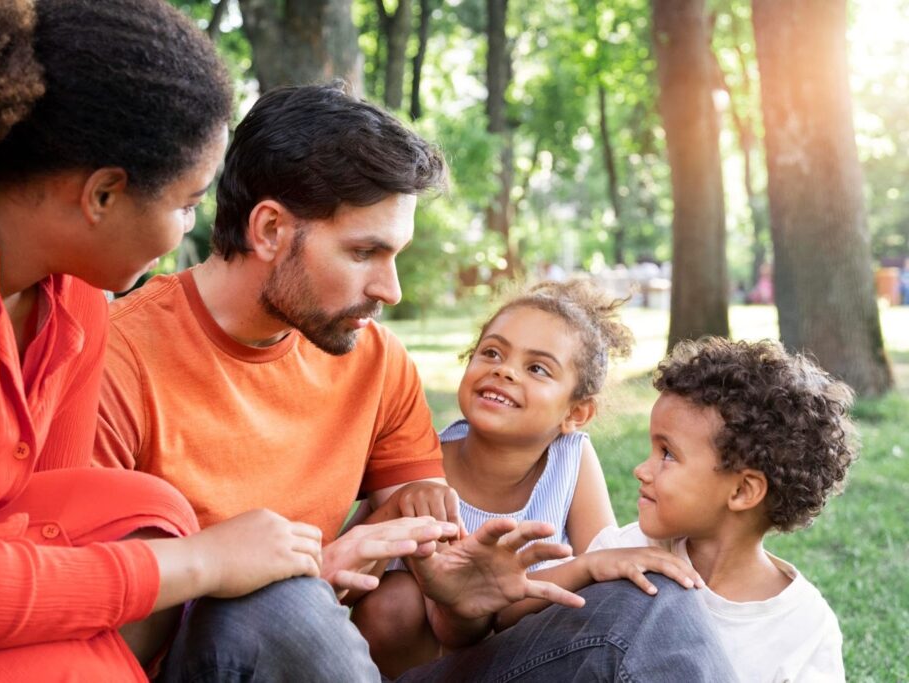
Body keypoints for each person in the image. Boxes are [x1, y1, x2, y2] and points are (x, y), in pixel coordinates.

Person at [96, 84, 739, 682]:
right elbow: (92, 622)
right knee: (278, 601)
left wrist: (461, 603)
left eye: (395, 256)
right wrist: (296, 572)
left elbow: (433, 565)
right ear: (269, 230)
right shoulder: (114, 357)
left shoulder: (376, 361)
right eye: (363, 253)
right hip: (208, 659)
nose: (391, 289)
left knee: (648, 607)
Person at [0, 1, 370, 679]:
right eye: (186, 203)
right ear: (103, 194)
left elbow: (50, 516)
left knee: (144, 509)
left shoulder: (74, 296)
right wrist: (205, 560)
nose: (190, 233)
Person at [352, 279, 707, 676]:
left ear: (575, 414)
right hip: (420, 664)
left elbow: (602, 575)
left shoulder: (571, 460)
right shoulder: (418, 469)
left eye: (536, 368)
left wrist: (589, 567)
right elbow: (342, 592)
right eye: (491, 353)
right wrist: (395, 514)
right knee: (395, 600)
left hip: (524, 657)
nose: (504, 371)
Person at [503, 337, 855, 681]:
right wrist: (585, 568)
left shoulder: (803, 625)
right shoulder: (630, 551)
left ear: (743, 490)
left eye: (667, 454)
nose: (642, 470)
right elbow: (508, 622)